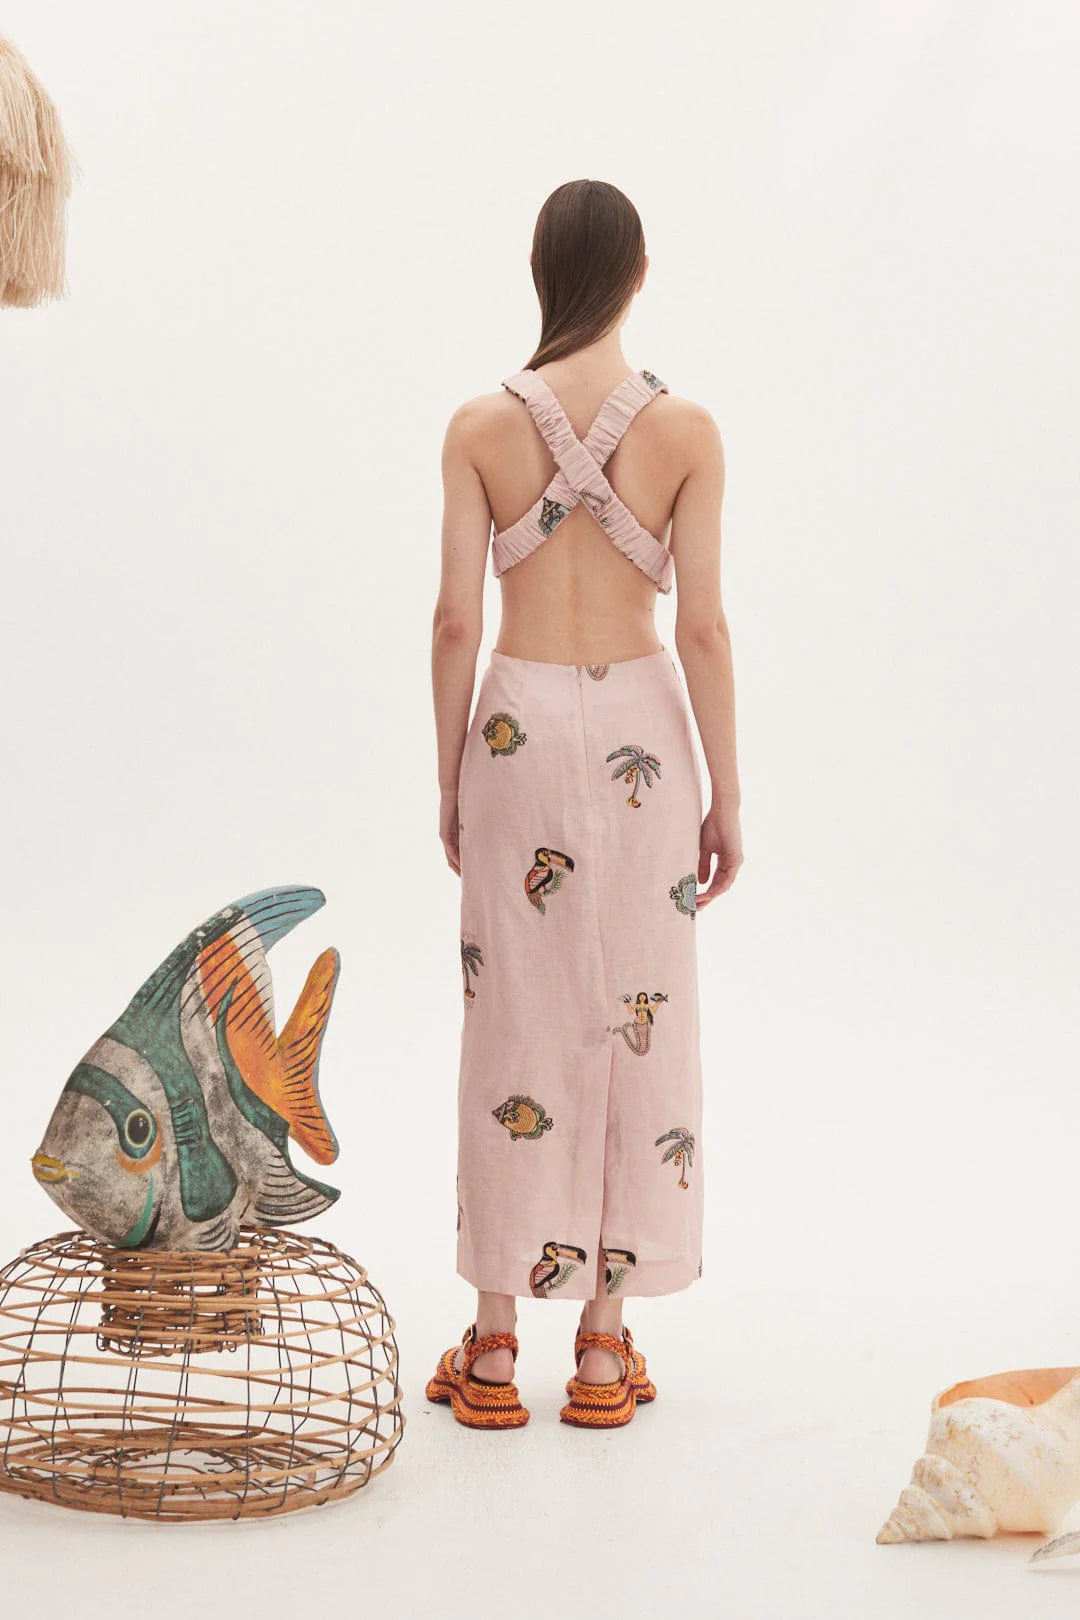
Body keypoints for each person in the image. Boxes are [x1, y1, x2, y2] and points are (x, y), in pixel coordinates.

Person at [427, 178, 742, 1430]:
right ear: (640, 273)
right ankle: (604, 1349)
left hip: (516, 726)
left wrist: (449, 770)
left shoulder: (477, 428)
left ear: (539, 271)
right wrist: (727, 791)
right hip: (643, 738)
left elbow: (455, 621)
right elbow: (704, 627)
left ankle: (495, 1342)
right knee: (634, 1015)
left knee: (512, 1018)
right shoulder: (690, 432)